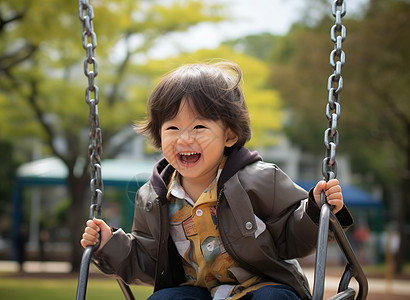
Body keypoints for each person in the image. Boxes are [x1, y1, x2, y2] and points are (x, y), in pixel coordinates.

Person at [81, 61, 353, 300]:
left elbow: (292, 238)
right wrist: (109, 244)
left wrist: (316, 210)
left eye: (199, 127)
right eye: (172, 128)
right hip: (195, 290)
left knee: (273, 297)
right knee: (164, 298)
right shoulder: (153, 197)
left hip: (262, 285)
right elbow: (149, 262)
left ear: (229, 136)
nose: (184, 139)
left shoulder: (260, 180)